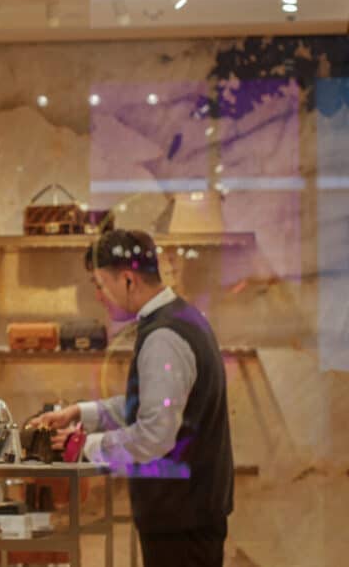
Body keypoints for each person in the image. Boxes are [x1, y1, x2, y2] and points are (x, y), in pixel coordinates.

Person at [31, 229, 234, 567]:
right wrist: (81, 412)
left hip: (181, 521)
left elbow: (154, 434)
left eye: (100, 284)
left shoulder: (164, 336)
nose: (98, 296)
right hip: (190, 514)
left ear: (128, 279)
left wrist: (85, 446)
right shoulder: (182, 317)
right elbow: (156, 403)